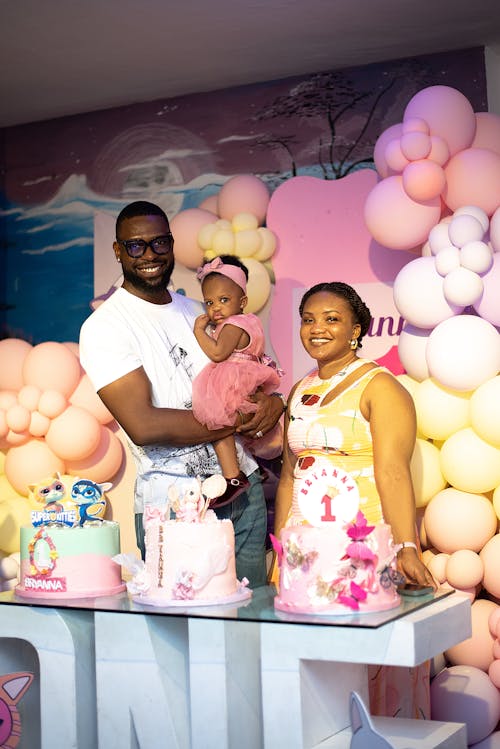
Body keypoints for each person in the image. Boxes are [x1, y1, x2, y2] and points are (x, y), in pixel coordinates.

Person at [79, 200, 284, 588]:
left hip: (244, 491)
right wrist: (238, 419)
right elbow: (145, 425)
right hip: (174, 504)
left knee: (250, 626)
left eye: (159, 243)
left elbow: (250, 372)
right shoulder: (105, 327)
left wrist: (274, 402)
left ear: (172, 244)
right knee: (187, 636)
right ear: (118, 251)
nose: (149, 255)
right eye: (136, 246)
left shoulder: (202, 311)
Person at [273, 281, 436, 718]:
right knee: (312, 674)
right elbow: (289, 474)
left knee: (365, 664)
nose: (317, 329)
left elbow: (393, 471)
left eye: (332, 319)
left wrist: (405, 546)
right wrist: (280, 551)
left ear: (357, 330)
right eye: (308, 319)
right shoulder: (300, 389)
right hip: (306, 549)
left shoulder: (380, 387)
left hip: (361, 543)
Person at [192, 255, 282, 506]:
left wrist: (200, 331)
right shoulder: (249, 321)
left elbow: (218, 353)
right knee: (247, 430)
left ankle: (233, 477)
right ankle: (261, 466)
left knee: (219, 428)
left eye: (224, 300)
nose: (215, 308)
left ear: (242, 301)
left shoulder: (234, 324)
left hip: (232, 378)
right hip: (245, 377)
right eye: (209, 302)